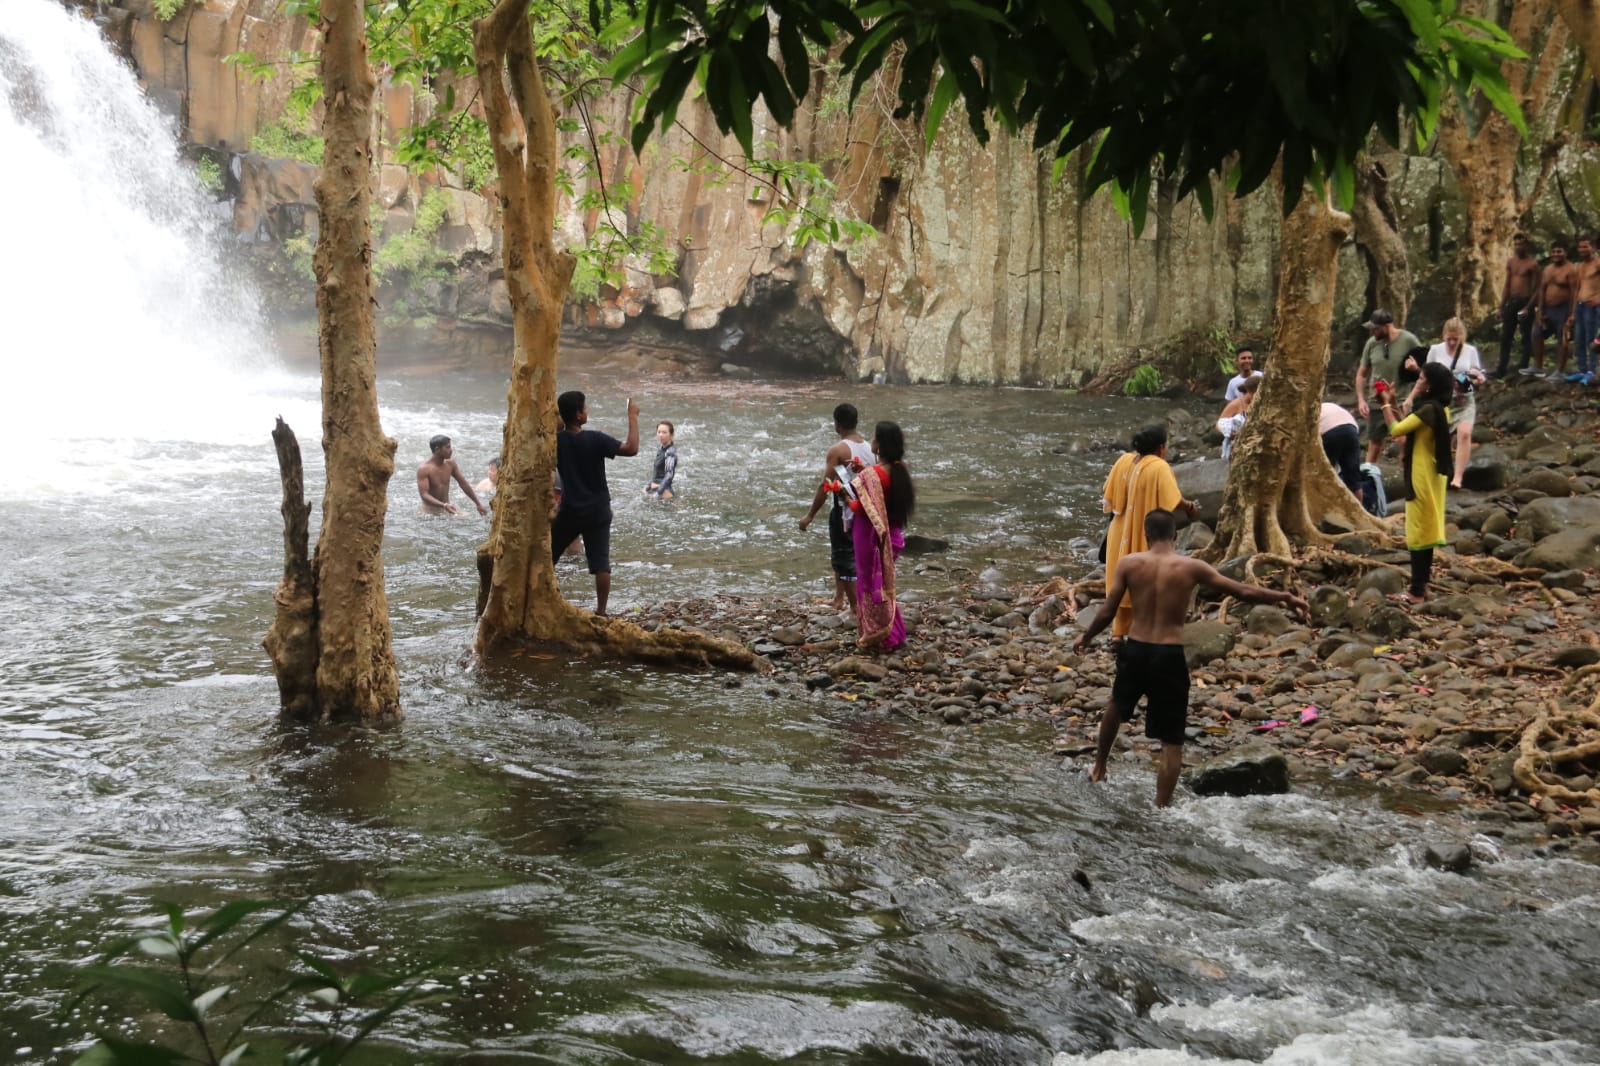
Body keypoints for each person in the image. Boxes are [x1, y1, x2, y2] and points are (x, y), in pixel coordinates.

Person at [1075, 509, 1309, 807]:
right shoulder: (1192, 567)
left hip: (1137, 649)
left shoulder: (1129, 563)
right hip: (1169, 655)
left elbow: (1108, 610)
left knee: (1117, 705)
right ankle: (1162, 807)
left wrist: (1086, 636)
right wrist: (1285, 597)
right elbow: (1242, 591)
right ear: (1175, 535)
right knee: (1171, 739)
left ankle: (1099, 768)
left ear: (1146, 535)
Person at [1101, 425, 1199, 641]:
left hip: (1119, 531)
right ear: (1161, 447)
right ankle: (1142, 633)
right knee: (1145, 578)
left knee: (1120, 579)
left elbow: (1107, 491)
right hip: (1145, 531)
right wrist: (1190, 507)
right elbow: (1174, 500)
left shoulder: (1123, 460)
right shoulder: (1159, 467)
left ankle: (1118, 634)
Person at [551, 390, 639, 616]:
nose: (587, 411)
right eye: (585, 408)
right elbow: (631, 448)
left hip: (570, 510)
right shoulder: (595, 439)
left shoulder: (556, 442)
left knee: (548, 556)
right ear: (579, 415)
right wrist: (632, 416)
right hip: (598, 510)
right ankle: (601, 611)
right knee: (601, 564)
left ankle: (545, 599)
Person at [1379, 362, 1452, 604]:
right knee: (1427, 528)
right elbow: (1412, 426)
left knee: (1418, 530)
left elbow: (1397, 430)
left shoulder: (1428, 410)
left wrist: (1385, 405)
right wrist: (1393, 401)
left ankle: (1416, 591)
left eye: (1421, 378)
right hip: (1434, 476)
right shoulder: (1439, 409)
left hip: (1421, 475)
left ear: (1429, 385)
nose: (1417, 381)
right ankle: (1423, 585)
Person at [798, 403, 877, 612]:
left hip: (846, 511)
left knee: (843, 556)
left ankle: (855, 607)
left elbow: (825, 485)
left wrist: (809, 516)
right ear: (856, 421)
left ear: (837, 424)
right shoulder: (870, 448)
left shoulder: (838, 450)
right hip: (866, 510)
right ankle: (839, 598)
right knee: (850, 554)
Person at [847, 421, 914, 650]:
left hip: (872, 538)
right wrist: (864, 471)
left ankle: (882, 635)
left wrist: (844, 495)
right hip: (892, 536)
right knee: (885, 585)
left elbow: (861, 508)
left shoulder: (873, 475)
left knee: (871, 586)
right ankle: (895, 632)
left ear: (881, 444)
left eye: (874, 438)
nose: (871, 441)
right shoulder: (900, 469)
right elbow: (882, 493)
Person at [1419, 317, 1485, 489]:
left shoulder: (1470, 351)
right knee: (1442, 439)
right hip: (1442, 401)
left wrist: (1477, 379)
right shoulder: (1435, 350)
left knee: (1464, 434)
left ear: (1462, 336)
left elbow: (1476, 374)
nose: (1452, 342)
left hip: (1464, 400)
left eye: (1456, 339)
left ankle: (1458, 477)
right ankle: (1442, 472)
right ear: (1443, 335)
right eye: (1449, 338)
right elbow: (1426, 375)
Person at [1354, 308, 1422, 464]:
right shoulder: (1371, 343)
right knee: (1374, 444)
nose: (1372, 332)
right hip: (1376, 401)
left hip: (1400, 401)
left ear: (1387, 326)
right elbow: (1361, 374)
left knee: (1404, 442)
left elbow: (1425, 370)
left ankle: (1408, 475)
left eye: (1375, 329)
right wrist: (1361, 400)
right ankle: (1368, 475)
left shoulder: (1409, 340)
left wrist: (1415, 370)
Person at [1529, 241, 1578, 378]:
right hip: (1548, 309)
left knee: (1562, 338)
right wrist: (1540, 310)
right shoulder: (1547, 269)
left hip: (1563, 309)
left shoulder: (1571, 270)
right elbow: (1542, 289)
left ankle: (1560, 371)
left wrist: (1572, 314)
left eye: (1559, 251)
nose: (1556, 254)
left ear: (1565, 253)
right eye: (1554, 252)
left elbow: (1574, 293)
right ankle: (1538, 367)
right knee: (1537, 334)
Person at [1494, 232, 1539, 377]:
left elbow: (1537, 289)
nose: (1518, 247)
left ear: (1527, 245)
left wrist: (1528, 307)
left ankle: (1523, 366)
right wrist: (1501, 307)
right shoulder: (1511, 262)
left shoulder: (1532, 264)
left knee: (1526, 336)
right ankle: (1501, 368)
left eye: (1521, 244)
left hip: (1525, 302)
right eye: (1516, 244)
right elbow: (1507, 285)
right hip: (1512, 302)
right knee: (1506, 336)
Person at [417, 435, 488, 516]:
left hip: (447, 507)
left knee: (468, 517)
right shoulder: (424, 469)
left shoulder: (450, 464)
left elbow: (463, 483)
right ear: (437, 449)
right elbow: (424, 494)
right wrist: (443, 505)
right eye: (448, 447)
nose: (451, 450)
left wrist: (478, 504)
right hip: (429, 512)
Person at [1569, 236, 1600, 385]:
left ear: (1592, 247)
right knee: (1579, 338)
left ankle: (1591, 371)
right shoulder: (1579, 266)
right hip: (1580, 305)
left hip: (1592, 306)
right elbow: (1577, 289)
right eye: (1580, 247)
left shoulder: (1598, 263)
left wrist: (1599, 298)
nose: (1582, 250)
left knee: (1591, 339)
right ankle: (1581, 370)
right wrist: (1573, 312)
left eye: (1585, 246)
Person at [1319, 401, 1363, 497]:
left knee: (1324, 476)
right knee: (1354, 482)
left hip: (1329, 431)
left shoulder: (1311, 410)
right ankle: (1358, 505)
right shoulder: (1328, 405)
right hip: (1351, 429)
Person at [1216, 376, 1257, 460]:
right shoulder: (1235, 404)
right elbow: (1218, 425)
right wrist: (1230, 434)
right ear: (1250, 392)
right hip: (1236, 447)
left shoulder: (1260, 404)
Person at [644, 421, 678, 499]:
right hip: (656, 489)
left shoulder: (670, 453)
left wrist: (657, 493)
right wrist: (648, 486)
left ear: (671, 435)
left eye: (664, 432)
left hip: (664, 493)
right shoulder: (661, 449)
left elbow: (669, 475)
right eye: (659, 432)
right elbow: (658, 475)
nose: (660, 435)